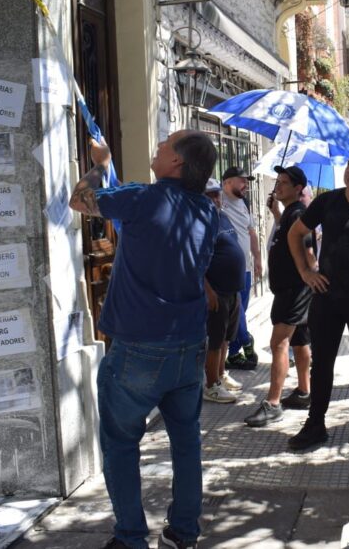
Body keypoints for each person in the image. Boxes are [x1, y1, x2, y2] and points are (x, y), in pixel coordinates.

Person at [69, 130, 217, 549]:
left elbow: (79, 200)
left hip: (139, 348)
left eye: (167, 144)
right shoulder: (207, 211)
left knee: (120, 443)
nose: (159, 144)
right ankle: (183, 532)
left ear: (178, 163)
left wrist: (100, 163)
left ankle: (131, 537)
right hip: (188, 344)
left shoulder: (142, 197)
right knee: (186, 442)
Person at [287, 150, 349, 451]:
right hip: (327, 295)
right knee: (323, 362)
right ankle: (315, 423)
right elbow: (296, 233)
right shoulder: (326, 201)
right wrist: (305, 271)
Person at [244, 166, 315, 427]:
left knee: (279, 343)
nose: (279, 186)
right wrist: (275, 213)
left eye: (284, 182)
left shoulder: (299, 215)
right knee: (299, 340)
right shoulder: (289, 214)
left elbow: (309, 253)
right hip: (291, 289)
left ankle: (273, 403)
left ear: (298, 189)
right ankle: (304, 391)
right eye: (278, 181)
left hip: (293, 290)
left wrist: (309, 276)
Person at [201, 178, 246, 403]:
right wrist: (208, 290)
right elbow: (195, 262)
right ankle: (211, 385)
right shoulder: (200, 223)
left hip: (233, 289)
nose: (216, 199)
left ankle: (220, 375)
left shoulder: (223, 216)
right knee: (216, 340)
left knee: (227, 337)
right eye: (210, 195)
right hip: (217, 290)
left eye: (217, 194)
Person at [222, 167, 261, 371]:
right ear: (228, 182)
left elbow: (251, 232)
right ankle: (246, 341)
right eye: (242, 181)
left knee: (242, 311)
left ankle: (234, 354)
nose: (246, 185)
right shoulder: (217, 200)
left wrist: (258, 259)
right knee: (235, 312)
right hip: (228, 269)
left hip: (245, 268)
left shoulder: (244, 203)